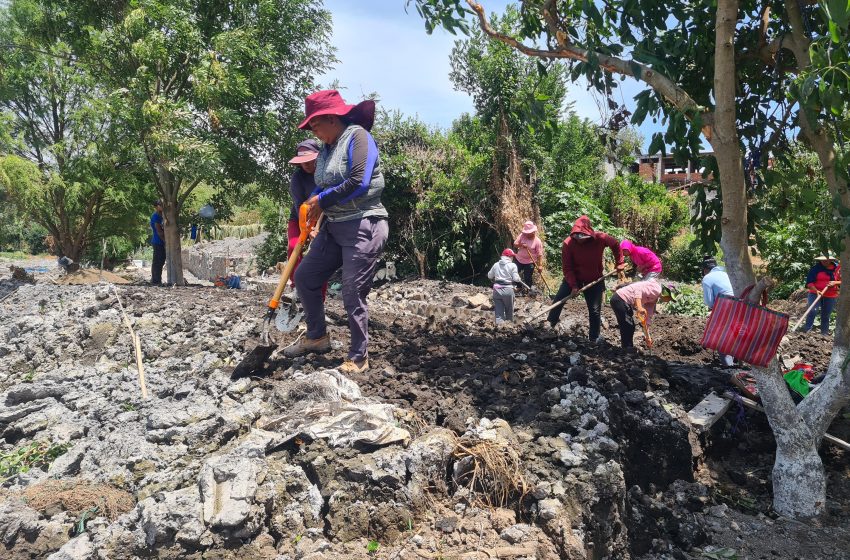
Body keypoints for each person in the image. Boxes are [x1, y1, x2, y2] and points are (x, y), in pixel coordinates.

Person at [285, 90, 389, 374]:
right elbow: (321, 184)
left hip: (364, 223)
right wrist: (313, 201)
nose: (314, 132)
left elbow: (359, 181)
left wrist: (322, 200)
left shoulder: (358, 138)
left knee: (352, 291)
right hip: (334, 226)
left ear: (330, 118)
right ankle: (317, 337)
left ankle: (358, 357)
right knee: (305, 277)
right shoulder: (327, 149)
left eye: (315, 125)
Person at [548, 215, 625, 341]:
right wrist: (573, 285)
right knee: (558, 301)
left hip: (594, 279)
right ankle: (549, 325)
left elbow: (615, 244)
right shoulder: (568, 243)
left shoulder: (600, 238)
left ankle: (594, 337)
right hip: (574, 278)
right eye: (577, 237)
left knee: (594, 310)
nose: (580, 240)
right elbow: (567, 268)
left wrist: (619, 262)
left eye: (582, 237)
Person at [286, 139, 321, 285]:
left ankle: (318, 299)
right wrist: (307, 229)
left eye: (309, 160)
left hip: (323, 221)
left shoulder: (326, 175)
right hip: (299, 218)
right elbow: (300, 205)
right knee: (294, 247)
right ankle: (296, 286)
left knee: (320, 258)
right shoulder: (297, 178)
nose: (305, 164)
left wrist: (315, 228)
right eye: (302, 161)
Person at [610, 279, 677, 348]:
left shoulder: (654, 298)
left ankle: (627, 348)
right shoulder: (657, 289)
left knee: (628, 326)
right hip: (620, 298)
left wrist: (647, 337)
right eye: (670, 298)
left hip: (622, 301)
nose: (669, 301)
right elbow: (638, 290)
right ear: (666, 294)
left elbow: (648, 317)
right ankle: (627, 349)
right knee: (628, 325)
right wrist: (639, 307)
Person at [701, 256, 735, 366]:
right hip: (739, 304)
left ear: (705, 269)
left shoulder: (707, 278)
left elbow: (709, 302)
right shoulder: (726, 274)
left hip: (725, 305)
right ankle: (737, 362)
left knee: (721, 336)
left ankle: (728, 366)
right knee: (734, 333)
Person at [803, 254, 841, 335]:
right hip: (815, 293)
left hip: (831, 295)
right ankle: (807, 331)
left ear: (831, 260)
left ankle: (824, 334)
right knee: (812, 311)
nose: (824, 261)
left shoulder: (838, 269)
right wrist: (816, 291)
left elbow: (845, 281)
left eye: (826, 260)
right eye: (822, 260)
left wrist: (835, 282)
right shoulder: (815, 269)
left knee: (826, 315)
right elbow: (809, 283)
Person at [488, 249, 522, 325]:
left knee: (499, 313)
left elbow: (489, 276)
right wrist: (519, 279)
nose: (513, 258)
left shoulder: (496, 264)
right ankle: (509, 328)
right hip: (508, 290)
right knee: (509, 311)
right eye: (512, 256)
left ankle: (499, 329)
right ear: (509, 256)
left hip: (496, 290)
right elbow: (516, 279)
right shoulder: (513, 265)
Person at [513, 221, 544, 290]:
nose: (526, 234)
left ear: (533, 232)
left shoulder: (537, 241)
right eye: (526, 233)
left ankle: (528, 289)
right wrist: (521, 245)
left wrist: (540, 265)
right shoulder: (522, 235)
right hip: (519, 259)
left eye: (528, 233)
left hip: (530, 261)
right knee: (514, 272)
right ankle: (519, 287)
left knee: (527, 276)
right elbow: (515, 244)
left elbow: (539, 254)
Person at [150, 200, 166, 285]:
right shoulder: (156, 216)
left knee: (161, 261)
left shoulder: (163, 215)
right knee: (158, 262)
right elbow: (159, 231)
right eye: (160, 205)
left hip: (161, 242)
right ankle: (155, 281)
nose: (162, 206)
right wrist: (165, 241)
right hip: (158, 241)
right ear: (156, 207)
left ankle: (157, 279)